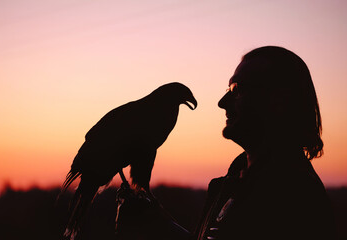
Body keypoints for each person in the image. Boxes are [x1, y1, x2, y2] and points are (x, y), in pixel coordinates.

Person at [115, 46, 336, 240]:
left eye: (236, 90)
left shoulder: (293, 195)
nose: (222, 102)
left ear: (279, 100)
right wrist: (156, 224)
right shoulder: (237, 180)